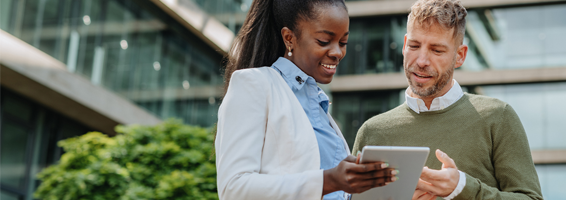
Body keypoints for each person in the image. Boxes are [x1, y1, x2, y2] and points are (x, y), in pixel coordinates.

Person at [352, 0, 543, 200]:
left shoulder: (498, 117)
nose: (422, 61)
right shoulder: (371, 132)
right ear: (404, 45)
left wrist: (462, 188)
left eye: (437, 50)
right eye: (414, 46)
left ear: (460, 56)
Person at [215, 0, 398, 199]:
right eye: (323, 41)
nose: (338, 52)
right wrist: (329, 180)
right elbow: (233, 188)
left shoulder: (320, 106)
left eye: (343, 42)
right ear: (289, 38)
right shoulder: (254, 84)